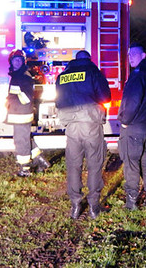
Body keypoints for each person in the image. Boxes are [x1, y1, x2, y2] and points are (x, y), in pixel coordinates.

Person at [55, 50, 111, 220]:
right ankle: (94, 206)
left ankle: (75, 205)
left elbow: (59, 100)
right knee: (94, 164)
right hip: (91, 124)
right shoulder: (94, 72)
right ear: (88, 59)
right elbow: (105, 96)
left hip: (71, 126)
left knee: (73, 166)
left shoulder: (62, 76)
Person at [118, 43, 146, 211]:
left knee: (131, 163)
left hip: (134, 127)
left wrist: (125, 121)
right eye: (129, 55)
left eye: (134, 55)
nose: (130, 58)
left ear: (143, 55)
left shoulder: (137, 76)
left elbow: (132, 102)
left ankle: (131, 202)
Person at [5, 49, 50, 177]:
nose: (17, 62)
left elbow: (26, 97)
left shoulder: (23, 76)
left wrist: (11, 99)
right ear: (11, 62)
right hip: (19, 113)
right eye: (15, 60)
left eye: (19, 60)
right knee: (24, 138)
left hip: (21, 114)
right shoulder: (18, 74)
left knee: (21, 141)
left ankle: (25, 169)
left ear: (23, 62)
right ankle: (41, 160)